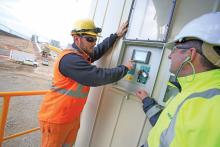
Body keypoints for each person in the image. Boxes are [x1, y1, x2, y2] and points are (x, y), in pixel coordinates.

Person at [38, 19, 133, 147]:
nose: (94, 43)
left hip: (71, 118)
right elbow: (96, 77)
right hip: (56, 119)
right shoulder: (69, 59)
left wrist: (115, 35)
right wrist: (124, 68)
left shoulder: (81, 55)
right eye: (90, 39)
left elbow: (98, 50)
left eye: (95, 39)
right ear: (77, 39)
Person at [136, 12, 220, 147]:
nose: (169, 56)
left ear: (190, 54)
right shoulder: (194, 92)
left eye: (174, 49)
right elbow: (170, 128)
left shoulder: (212, 105)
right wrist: (147, 102)